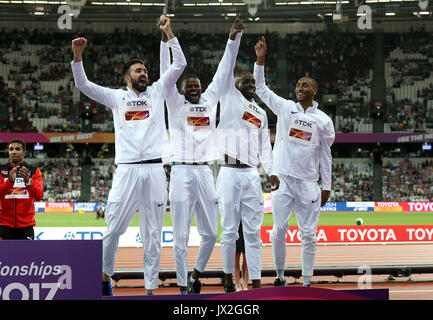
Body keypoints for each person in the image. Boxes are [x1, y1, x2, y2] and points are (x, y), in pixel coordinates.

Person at [70, 15, 186, 296]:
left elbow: (180, 64)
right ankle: (103, 279)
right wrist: (77, 55)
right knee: (112, 231)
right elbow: (83, 85)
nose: (143, 73)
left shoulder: (158, 91)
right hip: (127, 171)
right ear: (127, 78)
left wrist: (169, 32)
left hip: (155, 171)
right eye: (137, 71)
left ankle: (149, 289)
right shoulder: (116, 98)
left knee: (153, 236)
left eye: (145, 70)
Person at [159, 17, 244, 295]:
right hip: (182, 172)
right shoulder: (174, 103)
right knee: (181, 236)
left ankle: (195, 275)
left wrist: (233, 39)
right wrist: (166, 38)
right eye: (189, 86)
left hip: (206, 172)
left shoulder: (209, 101)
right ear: (182, 91)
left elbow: (224, 69)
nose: (194, 89)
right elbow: (166, 74)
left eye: (197, 85)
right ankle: (183, 287)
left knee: (211, 234)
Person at [254, 36, 335, 287]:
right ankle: (279, 277)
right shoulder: (285, 107)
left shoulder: (323, 120)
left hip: (309, 183)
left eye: (305, 85)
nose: (300, 88)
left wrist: (327, 185)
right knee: (279, 229)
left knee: (309, 234)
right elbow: (261, 89)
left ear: (314, 91)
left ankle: (308, 281)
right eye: (298, 85)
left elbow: (326, 154)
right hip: (282, 180)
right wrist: (260, 60)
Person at [216, 23, 280, 293]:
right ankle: (228, 280)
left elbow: (265, 146)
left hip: (252, 174)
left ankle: (255, 281)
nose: (251, 85)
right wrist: (233, 38)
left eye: (254, 82)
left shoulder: (261, 113)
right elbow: (227, 68)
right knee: (229, 231)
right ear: (237, 85)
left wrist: (271, 170)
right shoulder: (229, 98)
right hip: (229, 172)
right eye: (247, 82)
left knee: (253, 232)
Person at [0, 139, 44, 240]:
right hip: (3, 225)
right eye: (11, 149)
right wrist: (9, 182)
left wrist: (28, 182)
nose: (13, 152)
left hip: (26, 226)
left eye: (17, 149)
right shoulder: (1, 170)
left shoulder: (33, 171)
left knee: (27, 256)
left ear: (24, 152)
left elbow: (39, 196)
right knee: (4, 256)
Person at [233, 222, 248, 291]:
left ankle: (245, 284)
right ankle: (237, 284)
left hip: (247, 225)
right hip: (235, 226)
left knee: (247, 257)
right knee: (236, 256)